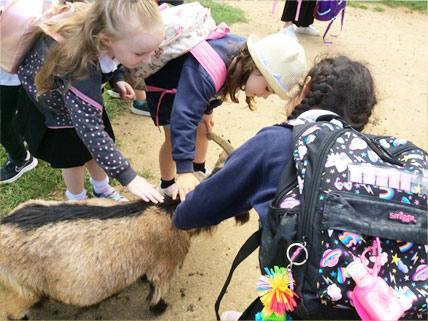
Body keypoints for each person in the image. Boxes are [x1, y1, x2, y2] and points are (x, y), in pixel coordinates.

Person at [173, 56, 377, 320]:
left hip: (306, 297)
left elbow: (197, 210)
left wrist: (181, 214)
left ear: (306, 88)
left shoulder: (278, 142)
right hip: (375, 302)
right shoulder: (374, 154)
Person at [17, 0, 165, 203]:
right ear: (105, 40)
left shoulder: (107, 33)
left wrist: (117, 79)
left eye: (152, 51)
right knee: (73, 158)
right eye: (140, 53)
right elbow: (91, 130)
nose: (148, 60)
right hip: (56, 106)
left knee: (95, 148)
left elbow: (113, 57)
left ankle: (101, 189)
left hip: (81, 100)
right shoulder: (81, 68)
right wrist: (128, 177)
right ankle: (77, 200)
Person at [144, 32, 306, 201]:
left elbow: (220, 87)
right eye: (268, 89)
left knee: (202, 129)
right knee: (174, 138)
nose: (264, 96)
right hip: (169, 92)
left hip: (191, 91)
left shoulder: (242, 60)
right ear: (256, 68)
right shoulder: (209, 72)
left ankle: (198, 170)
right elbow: (183, 116)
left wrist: (207, 111)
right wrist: (184, 170)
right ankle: (167, 185)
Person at [0, 69, 38, 184]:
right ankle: (20, 137)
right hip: (11, 72)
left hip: (10, 74)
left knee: (3, 123)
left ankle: (21, 159)